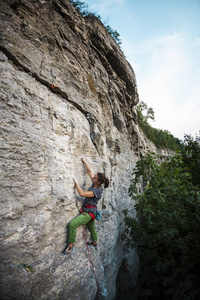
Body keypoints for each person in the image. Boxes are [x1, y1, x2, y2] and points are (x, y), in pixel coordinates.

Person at [64, 158, 109, 254]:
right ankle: (95, 242)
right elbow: (90, 171)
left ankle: (71, 245)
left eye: (95, 178)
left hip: (89, 213)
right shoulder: (95, 184)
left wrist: (76, 183)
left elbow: (82, 193)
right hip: (92, 211)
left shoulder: (97, 191)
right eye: (94, 177)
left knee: (72, 224)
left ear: (99, 182)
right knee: (91, 228)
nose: (93, 178)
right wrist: (84, 162)